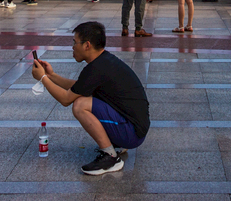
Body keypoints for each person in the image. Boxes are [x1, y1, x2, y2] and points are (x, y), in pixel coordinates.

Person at [31, 22, 149, 175]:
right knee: (82, 97)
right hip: (133, 128)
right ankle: (116, 145)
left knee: (80, 105)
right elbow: (78, 87)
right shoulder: (104, 62)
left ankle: (110, 157)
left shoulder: (96, 69)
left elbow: (67, 99)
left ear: (87, 45)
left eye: (74, 42)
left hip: (131, 133)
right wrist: (51, 76)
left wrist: (43, 78)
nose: (72, 47)